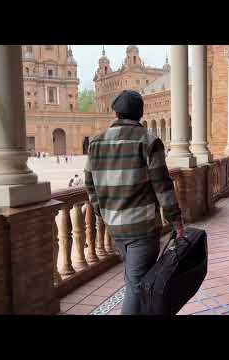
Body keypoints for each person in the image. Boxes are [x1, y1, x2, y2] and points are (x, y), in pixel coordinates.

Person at [84, 90, 183, 315]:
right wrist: (176, 220)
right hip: (141, 227)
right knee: (136, 286)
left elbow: (89, 183)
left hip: (115, 226)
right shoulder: (148, 141)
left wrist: (102, 212)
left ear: (116, 112)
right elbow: (162, 186)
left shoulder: (95, 143)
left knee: (133, 280)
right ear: (140, 113)